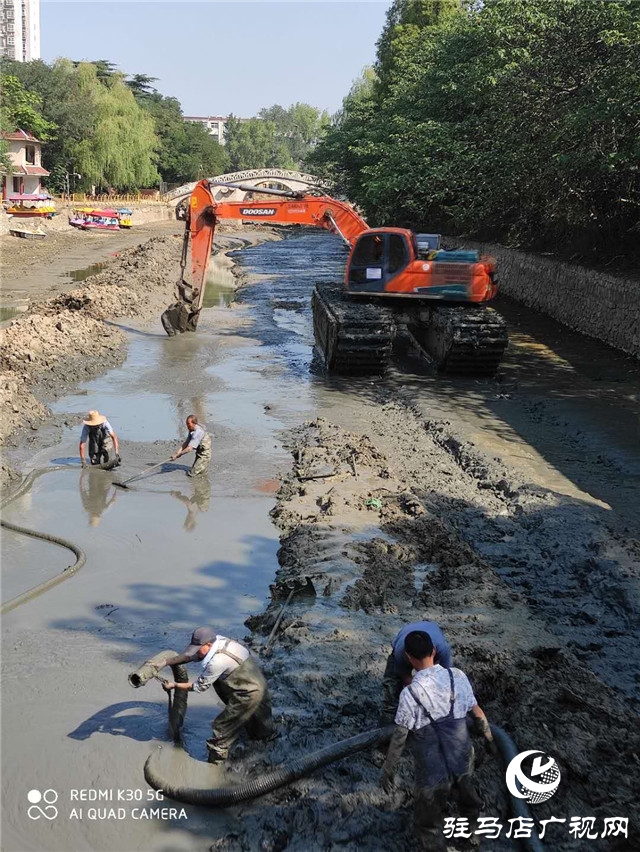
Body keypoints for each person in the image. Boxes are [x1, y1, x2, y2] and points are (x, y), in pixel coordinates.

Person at [380, 631, 494, 850]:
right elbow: (478, 713)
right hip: (461, 755)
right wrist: (489, 739)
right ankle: (472, 834)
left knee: (428, 819)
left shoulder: (410, 694)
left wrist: (388, 769)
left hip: (432, 767)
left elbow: (399, 737)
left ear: (409, 658)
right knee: (467, 795)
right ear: (434, 651)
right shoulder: (457, 676)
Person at [160, 626, 276, 764]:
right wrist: (166, 662)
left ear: (208, 644)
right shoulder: (222, 641)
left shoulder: (217, 662)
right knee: (260, 726)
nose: (196, 653)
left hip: (247, 694)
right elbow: (191, 656)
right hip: (258, 684)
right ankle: (268, 745)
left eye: (198, 649)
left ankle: (215, 764)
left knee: (221, 727)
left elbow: (199, 687)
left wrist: (174, 685)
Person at [382, 620, 452, 722]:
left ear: (433, 652)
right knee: (391, 690)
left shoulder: (443, 650)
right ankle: (389, 721)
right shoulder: (401, 654)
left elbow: (447, 680)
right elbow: (407, 680)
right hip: (403, 641)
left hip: (431, 632)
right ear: (409, 657)